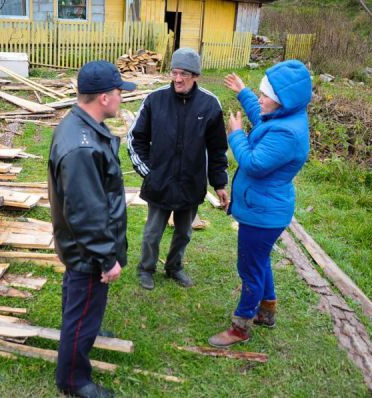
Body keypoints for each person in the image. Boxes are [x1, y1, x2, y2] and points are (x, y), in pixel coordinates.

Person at [208, 60, 312, 347]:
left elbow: (253, 163)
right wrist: (244, 92)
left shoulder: (287, 133)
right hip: (264, 209)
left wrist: (236, 135)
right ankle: (267, 311)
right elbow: (262, 115)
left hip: (262, 214)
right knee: (260, 260)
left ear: (282, 102)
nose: (261, 99)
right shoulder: (284, 117)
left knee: (250, 269)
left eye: (265, 95)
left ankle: (241, 326)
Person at [48, 60, 136, 398]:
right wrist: (106, 258)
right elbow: (85, 213)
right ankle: (73, 380)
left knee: (81, 302)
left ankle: (86, 329)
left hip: (79, 247)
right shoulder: (82, 146)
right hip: (87, 251)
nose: (121, 98)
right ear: (103, 98)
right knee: (82, 305)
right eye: (118, 93)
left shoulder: (79, 125)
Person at [127, 47, 229, 290]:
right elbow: (135, 138)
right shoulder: (155, 99)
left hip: (191, 183)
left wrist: (220, 183)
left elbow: (217, 149)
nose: (178, 79)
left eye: (184, 74)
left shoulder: (209, 104)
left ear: (195, 76)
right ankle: (146, 268)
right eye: (174, 73)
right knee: (153, 232)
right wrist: (148, 172)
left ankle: (174, 267)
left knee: (184, 233)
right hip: (159, 182)